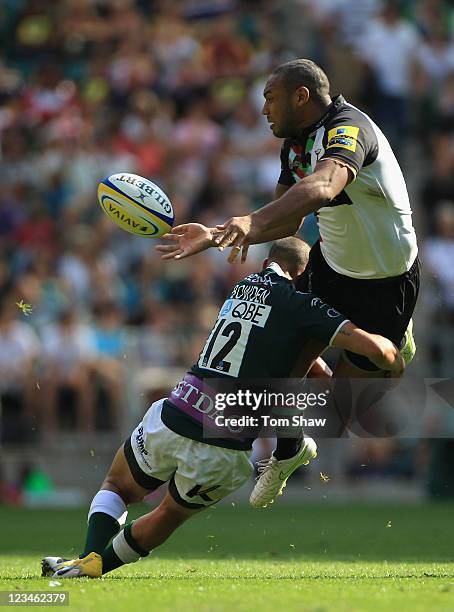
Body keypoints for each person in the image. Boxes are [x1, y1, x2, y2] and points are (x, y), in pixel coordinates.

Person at [41, 237, 404, 578]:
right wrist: (394, 353)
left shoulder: (240, 288)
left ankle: (86, 557)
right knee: (168, 513)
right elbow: (374, 351)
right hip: (224, 444)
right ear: (305, 275)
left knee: (117, 485)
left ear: (266, 263)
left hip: (178, 411)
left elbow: (280, 347)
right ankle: (93, 565)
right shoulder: (301, 305)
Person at [157, 58, 419, 507]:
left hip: (385, 284)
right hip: (329, 269)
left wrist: (249, 220)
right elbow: (287, 220)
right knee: (277, 372)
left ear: (302, 96)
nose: (263, 110)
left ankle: (397, 341)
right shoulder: (294, 146)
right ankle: (290, 448)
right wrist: (215, 235)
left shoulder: (349, 128)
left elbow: (321, 187)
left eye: (270, 98)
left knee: (337, 413)